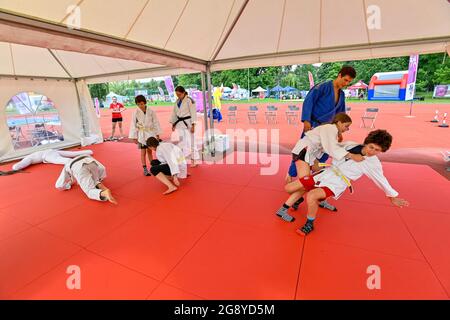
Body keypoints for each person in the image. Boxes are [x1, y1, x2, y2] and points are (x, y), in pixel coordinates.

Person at [278, 130, 409, 236]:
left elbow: (381, 179)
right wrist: (315, 157)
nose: (371, 151)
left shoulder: (372, 163)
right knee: (289, 188)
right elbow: (331, 147)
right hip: (326, 173)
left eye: (377, 150)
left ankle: (309, 223)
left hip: (338, 183)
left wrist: (392, 197)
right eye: (371, 147)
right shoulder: (350, 145)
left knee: (312, 195)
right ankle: (307, 198)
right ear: (366, 143)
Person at [287, 65, 357, 212]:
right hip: (314, 127)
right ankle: (292, 180)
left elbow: (341, 114)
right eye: (345, 80)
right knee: (303, 155)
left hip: (330, 131)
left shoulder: (342, 95)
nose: (346, 83)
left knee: (321, 160)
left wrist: (339, 131)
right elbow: (309, 101)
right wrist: (306, 120)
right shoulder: (322, 87)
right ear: (339, 75)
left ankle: (312, 187)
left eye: (349, 82)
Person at [276, 113, 364, 222]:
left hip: (310, 154)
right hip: (304, 153)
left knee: (325, 174)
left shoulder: (330, 130)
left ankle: (319, 200)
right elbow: (331, 148)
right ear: (339, 122)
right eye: (346, 126)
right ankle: (283, 209)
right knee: (305, 185)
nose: (347, 129)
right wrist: (351, 155)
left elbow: (330, 148)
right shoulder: (331, 128)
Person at [129, 95, 162, 176]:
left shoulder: (151, 111)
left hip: (151, 133)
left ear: (145, 102)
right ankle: (144, 168)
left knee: (150, 151)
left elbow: (156, 122)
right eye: (138, 104)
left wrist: (157, 134)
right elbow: (133, 124)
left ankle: (153, 167)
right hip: (142, 135)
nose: (140, 105)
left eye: (142, 103)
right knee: (143, 152)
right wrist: (134, 137)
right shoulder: (135, 112)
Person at [170, 86, 200, 167]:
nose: (178, 96)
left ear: (183, 93)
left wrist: (193, 125)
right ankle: (182, 161)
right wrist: (173, 124)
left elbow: (193, 113)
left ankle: (194, 160)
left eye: (179, 94)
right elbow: (174, 113)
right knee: (181, 143)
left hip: (189, 123)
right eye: (176, 94)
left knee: (192, 142)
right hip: (180, 124)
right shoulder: (177, 101)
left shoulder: (190, 100)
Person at [11, 149, 94, 171]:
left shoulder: (28, 158)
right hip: (51, 151)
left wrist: (15, 167)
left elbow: (16, 167)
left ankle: (80, 161)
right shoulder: (29, 157)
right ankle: (89, 152)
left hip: (47, 155)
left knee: (64, 160)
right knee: (71, 153)